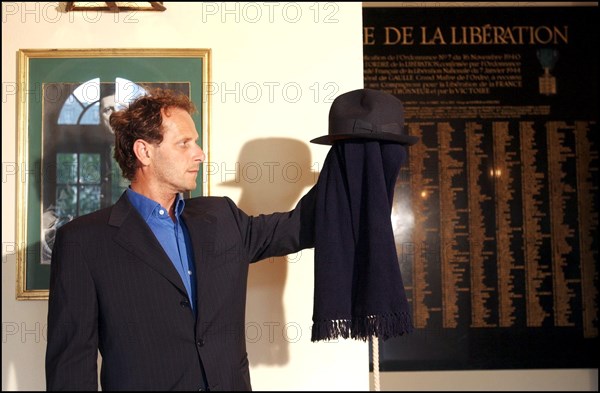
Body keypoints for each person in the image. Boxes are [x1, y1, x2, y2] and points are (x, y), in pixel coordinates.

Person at [45, 88, 317, 391]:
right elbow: (71, 366)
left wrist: (358, 151)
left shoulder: (222, 218)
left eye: (196, 142)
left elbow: (299, 226)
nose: (199, 153)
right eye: (184, 143)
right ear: (144, 152)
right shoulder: (83, 242)